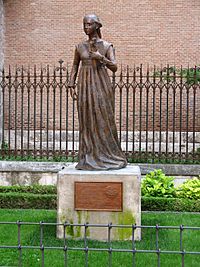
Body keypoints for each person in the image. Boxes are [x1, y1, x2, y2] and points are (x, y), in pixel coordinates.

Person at [68, 14, 127, 170]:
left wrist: (101, 58)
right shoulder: (79, 47)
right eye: (84, 25)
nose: (86, 27)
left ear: (97, 26)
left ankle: (107, 154)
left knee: (103, 118)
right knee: (86, 120)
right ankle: (88, 156)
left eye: (89, 24)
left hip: (101, 85)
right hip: (84, 86)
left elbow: (114, 67)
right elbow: (75, 66)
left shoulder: (107, 46)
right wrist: (70, 85)